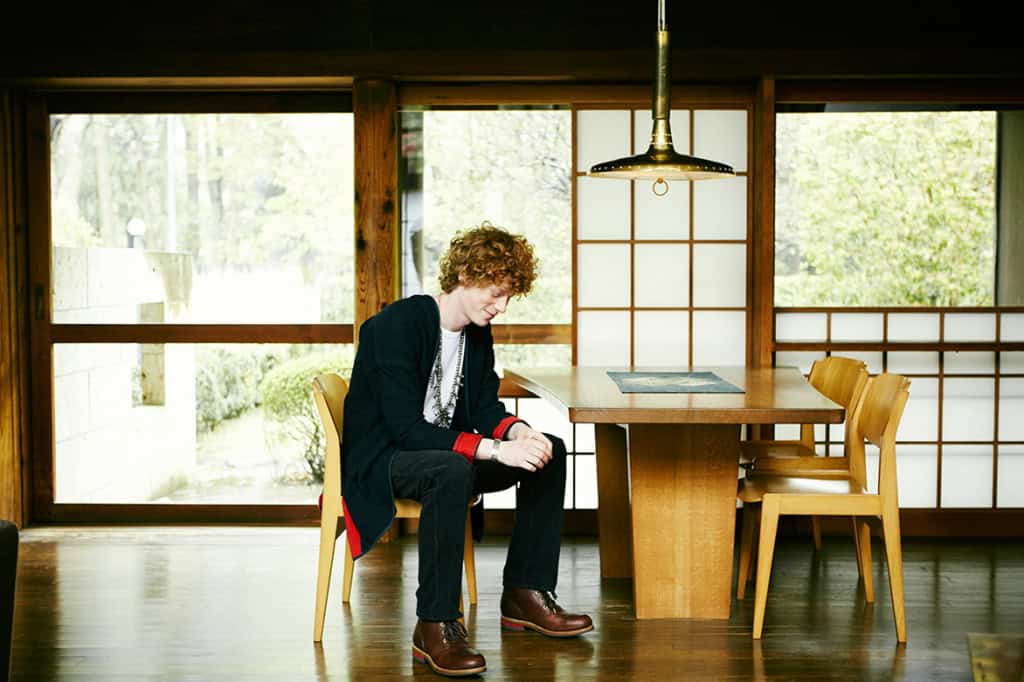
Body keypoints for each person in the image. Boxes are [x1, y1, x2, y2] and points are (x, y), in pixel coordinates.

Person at [340, 222, 592, 677]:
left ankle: (526, 593)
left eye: (509, 296)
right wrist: (494, 450)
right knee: (450, 469)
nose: (502, 307)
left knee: (548, 452)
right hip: (385, 459)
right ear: (465, 275)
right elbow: (405, 429)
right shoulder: (398, 325)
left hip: (443, 455)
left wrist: (518, 433)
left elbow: (483, 405)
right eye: (496, 293)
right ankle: (434, 625)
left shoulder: (476, 333)